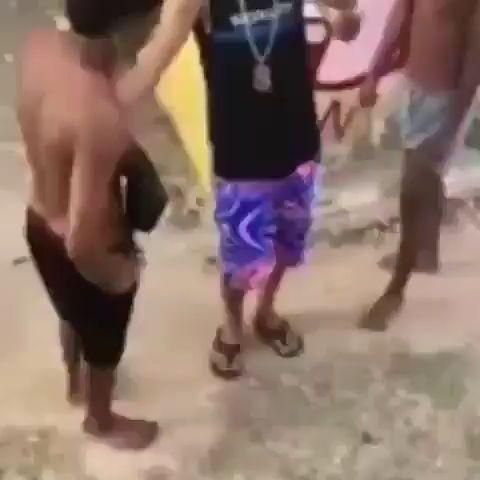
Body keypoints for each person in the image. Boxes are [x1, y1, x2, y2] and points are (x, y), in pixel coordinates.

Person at [117, 0, 361, 379]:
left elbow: (346, 7)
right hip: (240, 149)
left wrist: (346, 18)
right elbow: (153, 61)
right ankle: (232, 325)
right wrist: (96, 113)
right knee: (242, 256)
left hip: (299, 140)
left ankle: (266, 312)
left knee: (289, 242)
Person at [17, 0, 160, 449]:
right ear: (131, 29)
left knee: (71, 313)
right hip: (85, 246)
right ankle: (101, 419)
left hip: (39, 219)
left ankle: (74, 383)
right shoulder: (98, 115)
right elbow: (82, 240)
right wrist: (119, 276)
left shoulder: (40, 49)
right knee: (104, 341)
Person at [358, 0, 480, 331]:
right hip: (413, 90)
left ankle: (395, 290)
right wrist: (373, 74)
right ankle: (426, 254)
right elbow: (399, 19)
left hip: (446, 102)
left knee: (413, 189)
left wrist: (450, 127)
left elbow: (473, 65)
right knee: (425, 180)